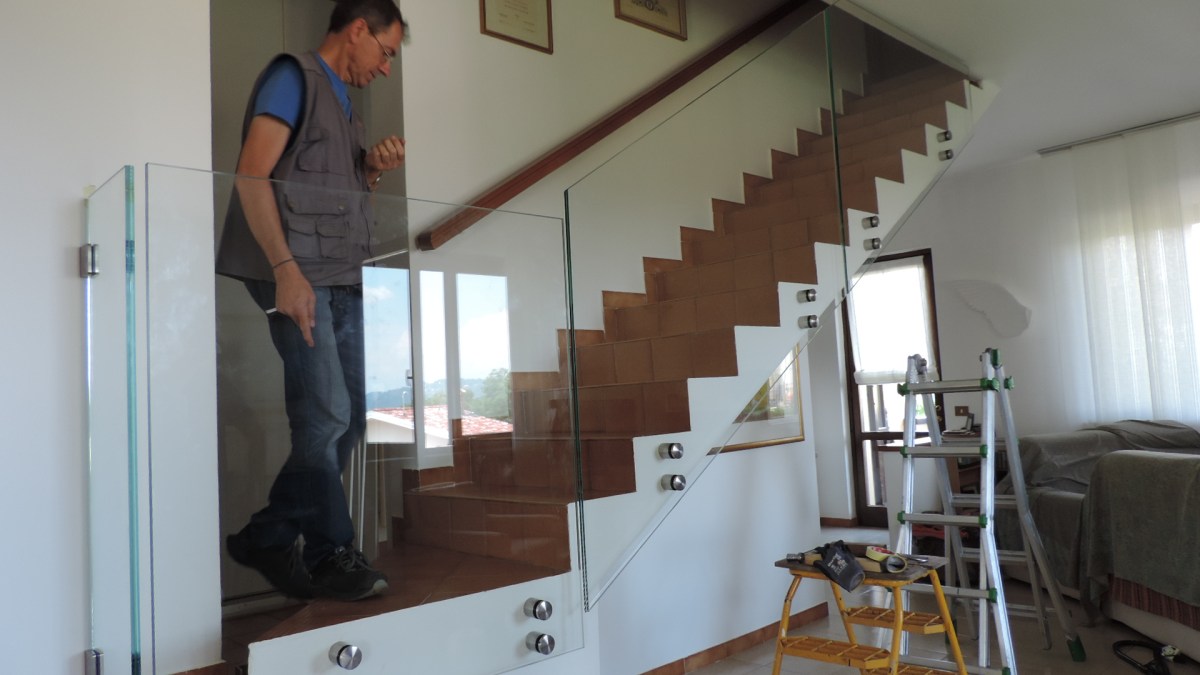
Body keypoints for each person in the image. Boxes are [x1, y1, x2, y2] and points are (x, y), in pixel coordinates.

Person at [215, 0, 407, 602]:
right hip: (298, 275)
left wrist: (370, 170)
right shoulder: (291, 77)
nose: (386, 67)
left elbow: (324, 189)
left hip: (343, 276)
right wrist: (284, 271)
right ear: (358, 31)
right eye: (386, 52)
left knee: (351, 419)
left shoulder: (345, 104)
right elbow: (252, 174)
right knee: (325, 417)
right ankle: (329, 555)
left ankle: (269, 536)